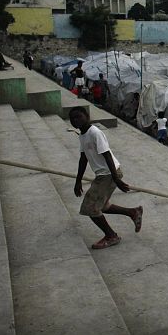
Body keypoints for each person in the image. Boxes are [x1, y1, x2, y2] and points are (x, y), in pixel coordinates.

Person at [70, 106, 143, 249]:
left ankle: (111, 236)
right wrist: (78, 181)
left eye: (79, 117)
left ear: (87, 116)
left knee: (90, 208)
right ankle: (133, 212)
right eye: (73, 119)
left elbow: (107, 155)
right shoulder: (82, 135)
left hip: (109, 174)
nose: (76, 120)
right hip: (103, 174)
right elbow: (83, 159)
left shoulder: (95, 133)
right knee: (102, 206)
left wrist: (116, 179)